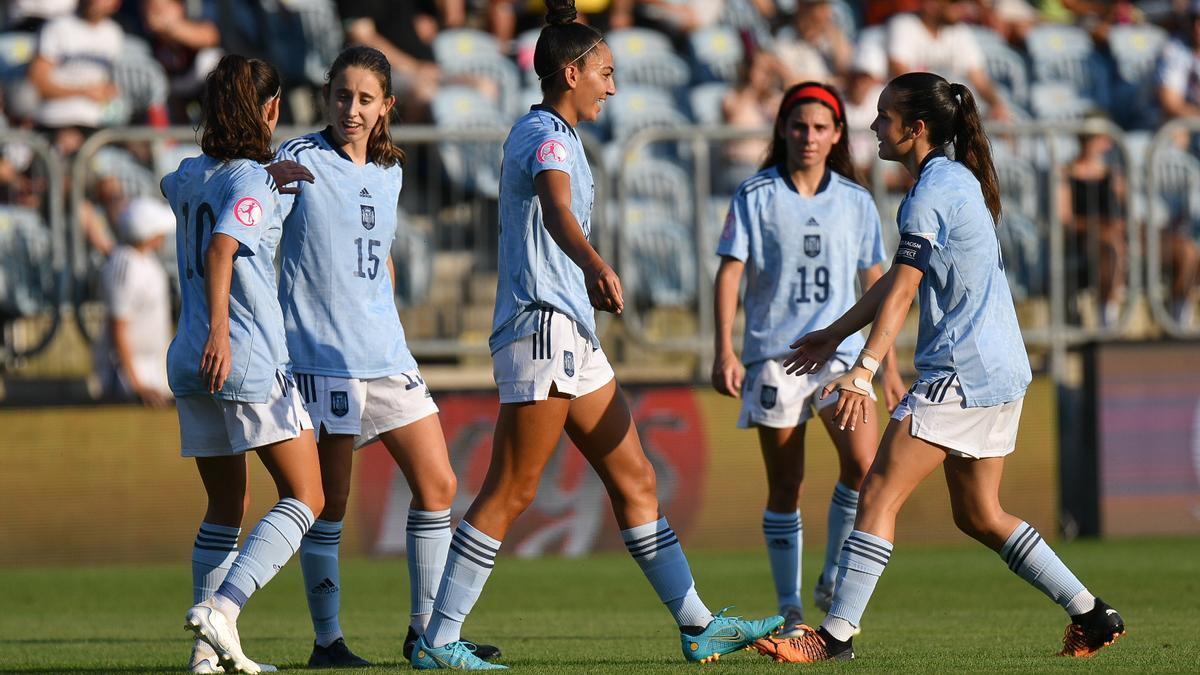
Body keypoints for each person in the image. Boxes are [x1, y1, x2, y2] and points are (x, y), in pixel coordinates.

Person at [408, 1, 783, 669]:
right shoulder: (545, 135)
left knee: (635, 475)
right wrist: (595, 262)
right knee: (513, 487)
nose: (614, 87)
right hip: (543, 329)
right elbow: (554, 208)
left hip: (571, 333)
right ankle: (438, 639)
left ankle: (696, 624)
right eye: (606, 73)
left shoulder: (562, 135)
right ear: (572, 72)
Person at [750, 72, 1126, 663]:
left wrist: (865, 368)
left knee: (876, 492)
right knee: (980, 514)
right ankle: (1092, 613)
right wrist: (834, 333)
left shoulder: (929, 194)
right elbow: (899, 282)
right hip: (1001, 369)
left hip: (961, 371)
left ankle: (834, 637)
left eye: (883, 116)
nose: (874, 126)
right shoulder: (953, 181)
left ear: (915, 128)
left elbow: (902, 292)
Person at [273, 45, 500, 668]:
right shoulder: (297, 159)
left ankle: (425, 636)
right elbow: (259, 231)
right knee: (330, 504)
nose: (351, 108)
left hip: (387, 354)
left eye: (364, 98)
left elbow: (383, 256)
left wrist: (384, 311)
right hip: (324, 359)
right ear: (326, 97)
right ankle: (328, 643)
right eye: (341, 95)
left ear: (386, 107)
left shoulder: (390, 170)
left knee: (439, 484)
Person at [711, 80, 906, 638]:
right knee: (786, 485)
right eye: (799, 126)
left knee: (863, 466)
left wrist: (887, 364)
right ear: (783, 131)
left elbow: (876, 279)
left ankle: (833, 574)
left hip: (843, 357)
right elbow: (731, 272)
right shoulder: (755, 195)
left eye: (821, 127)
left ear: (838, 133)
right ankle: (791, 607)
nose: (809, 137)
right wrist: (724, 347)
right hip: (775, 357)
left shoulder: (855, 200)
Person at [162, 54, 325, 675]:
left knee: (225, 508)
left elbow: (175, 187)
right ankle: (223, 611)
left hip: (188, 358)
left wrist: (261, 175)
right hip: (243, 353)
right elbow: (225, 247)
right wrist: (225, 334)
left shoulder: (187, 174)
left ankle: (207, 656)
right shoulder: (252, 179)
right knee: (306, 495)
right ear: (269, 109)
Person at [94, 196, 175, 407]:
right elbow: (118, 327)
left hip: (153, 368)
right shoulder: (125, 265)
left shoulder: (146, 260)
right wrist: (136, 383)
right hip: (129, 375)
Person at [26, 0, 124, 155]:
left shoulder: (113, 33)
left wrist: (108, 92)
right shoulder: (58, 28)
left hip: (99, 126)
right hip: (56, 121)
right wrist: (84, 92)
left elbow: (109, 84)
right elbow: (37, 82)